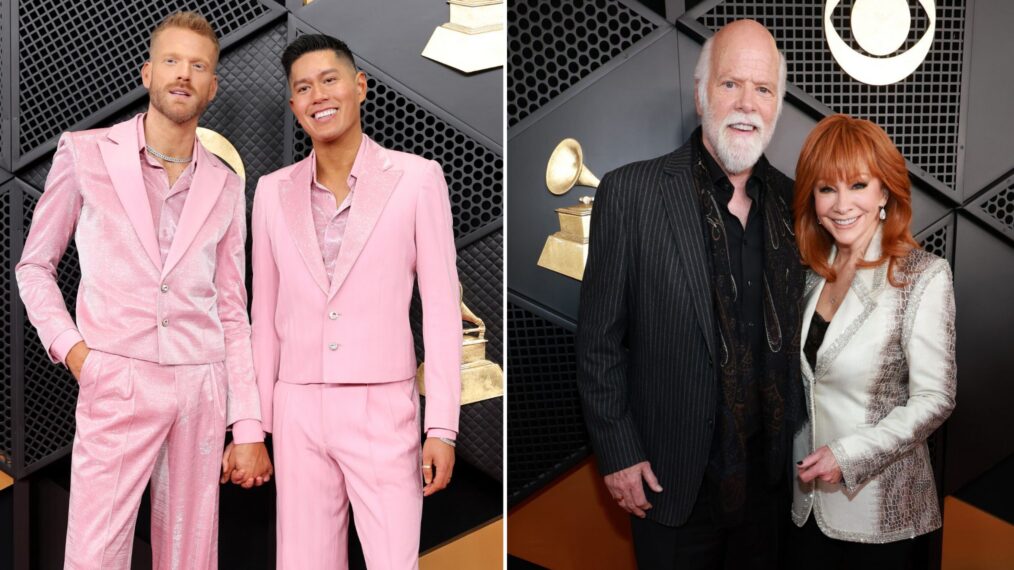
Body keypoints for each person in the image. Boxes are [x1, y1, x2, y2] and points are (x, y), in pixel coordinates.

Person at [15, 11, 272, 569]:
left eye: (198, 65)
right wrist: (76, 352)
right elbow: (34, 265)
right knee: (94, 552)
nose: (184, 74)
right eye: (173, 61)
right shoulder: (84, 153)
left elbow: (233, 307)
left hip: (201, 382)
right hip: (115, 376)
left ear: (212, 86)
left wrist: (247, 423)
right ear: (147, 72)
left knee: (191, 556)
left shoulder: (227, 187)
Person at [576, 19, 804, 568]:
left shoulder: (799, 206)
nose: (746, 102)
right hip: (669, 483)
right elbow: (598, 343)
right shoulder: (631, 193)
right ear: (702, 96)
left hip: (771, 487)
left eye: (763, 88)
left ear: (777, 105)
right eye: (731, 84)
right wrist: (619, 453)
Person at [250, 34, 461, 569]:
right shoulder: (271, 192)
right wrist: (253, 427)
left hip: (383, 408)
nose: (318, 95)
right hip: (296, 407)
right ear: (295, 105)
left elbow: (440, 310)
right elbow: (263, 317)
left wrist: (441, 426)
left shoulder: (417, 178)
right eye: (303, 87)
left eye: (329, 79)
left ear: (359, 87)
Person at [790, 114, 956, 568]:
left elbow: (935, 398)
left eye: (858, 185)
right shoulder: (809, 277)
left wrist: (847, 456)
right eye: (826, 188)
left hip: (883, 519)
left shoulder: (922, 276)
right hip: (805, 514)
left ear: (885, 191)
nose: (842, 204)